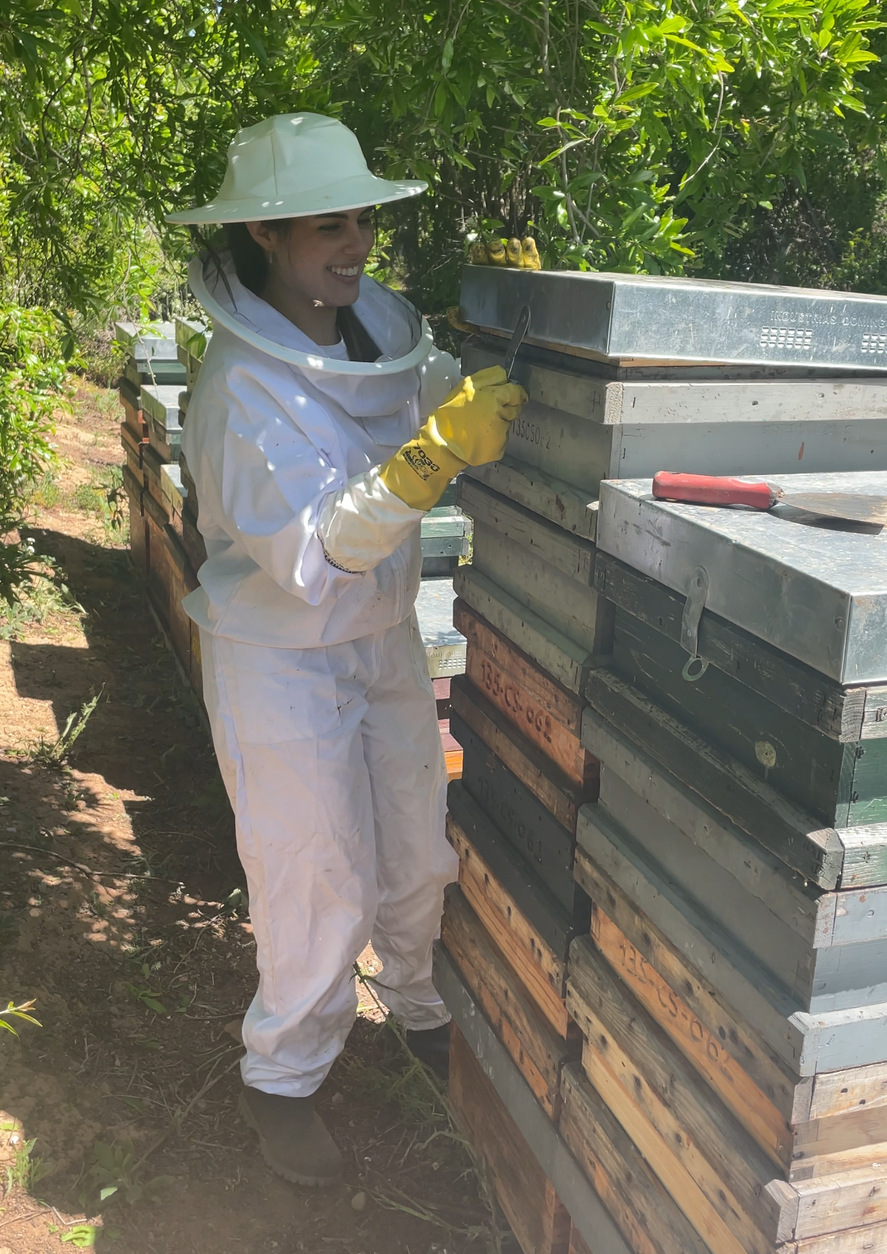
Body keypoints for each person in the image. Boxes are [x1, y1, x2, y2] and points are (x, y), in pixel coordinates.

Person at [165, 113, 527, 1187]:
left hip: (379, 639)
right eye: (328, 225)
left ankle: (415, 1006)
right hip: (279, 652)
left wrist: (508, 346)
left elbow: (429, 390)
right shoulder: (241, 389)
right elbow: (313, 555)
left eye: (361, 218)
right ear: (264, 238)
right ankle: (282, 1076)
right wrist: (433, 457)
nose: (354, 243)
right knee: (311, 877)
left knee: (415, 851)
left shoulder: (372, 325)